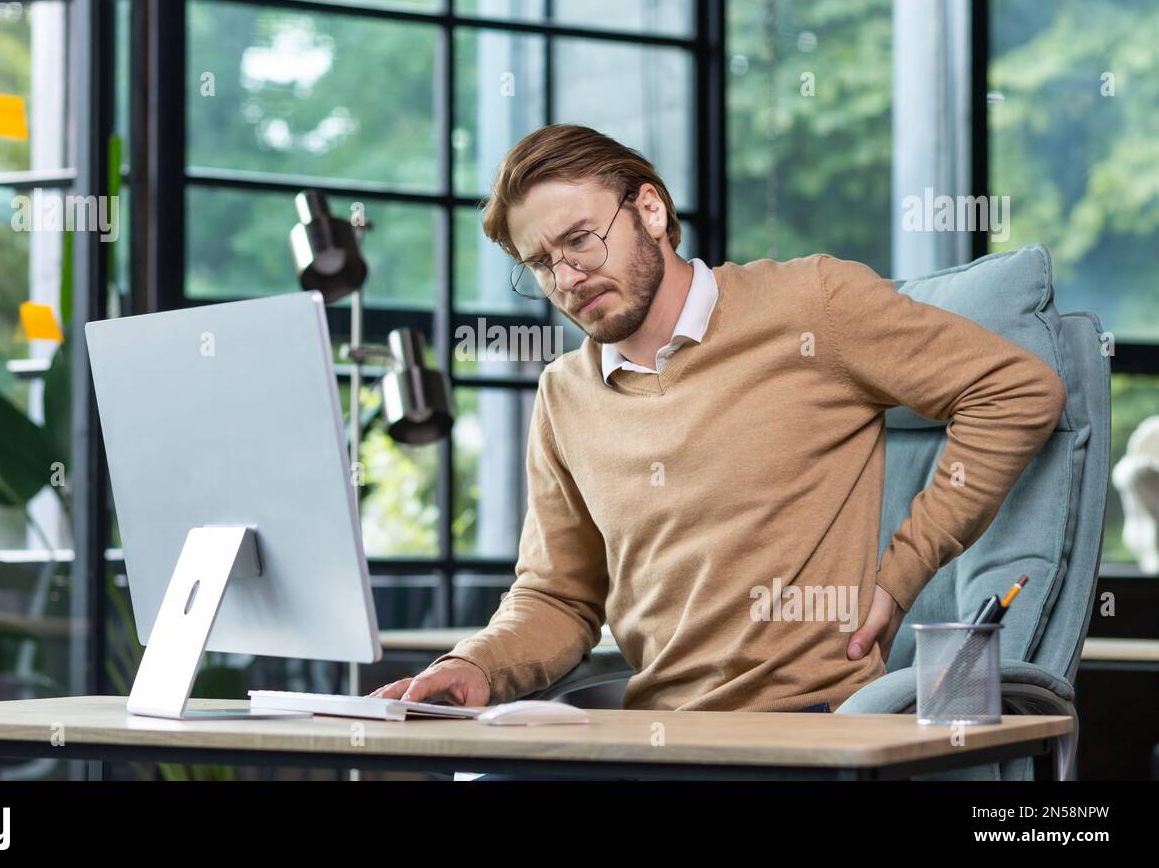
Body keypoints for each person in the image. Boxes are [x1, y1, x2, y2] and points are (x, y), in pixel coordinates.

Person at [369, 124, 1066, 778]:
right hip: (650, 742)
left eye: (580, 241)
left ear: (648, 210)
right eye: (542, 264)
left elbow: (1016, 390)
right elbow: (560, 593)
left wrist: (902, 570)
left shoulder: (812, 306)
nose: (568, 276)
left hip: (803, 730)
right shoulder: (564, 393)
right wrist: (477, 667)